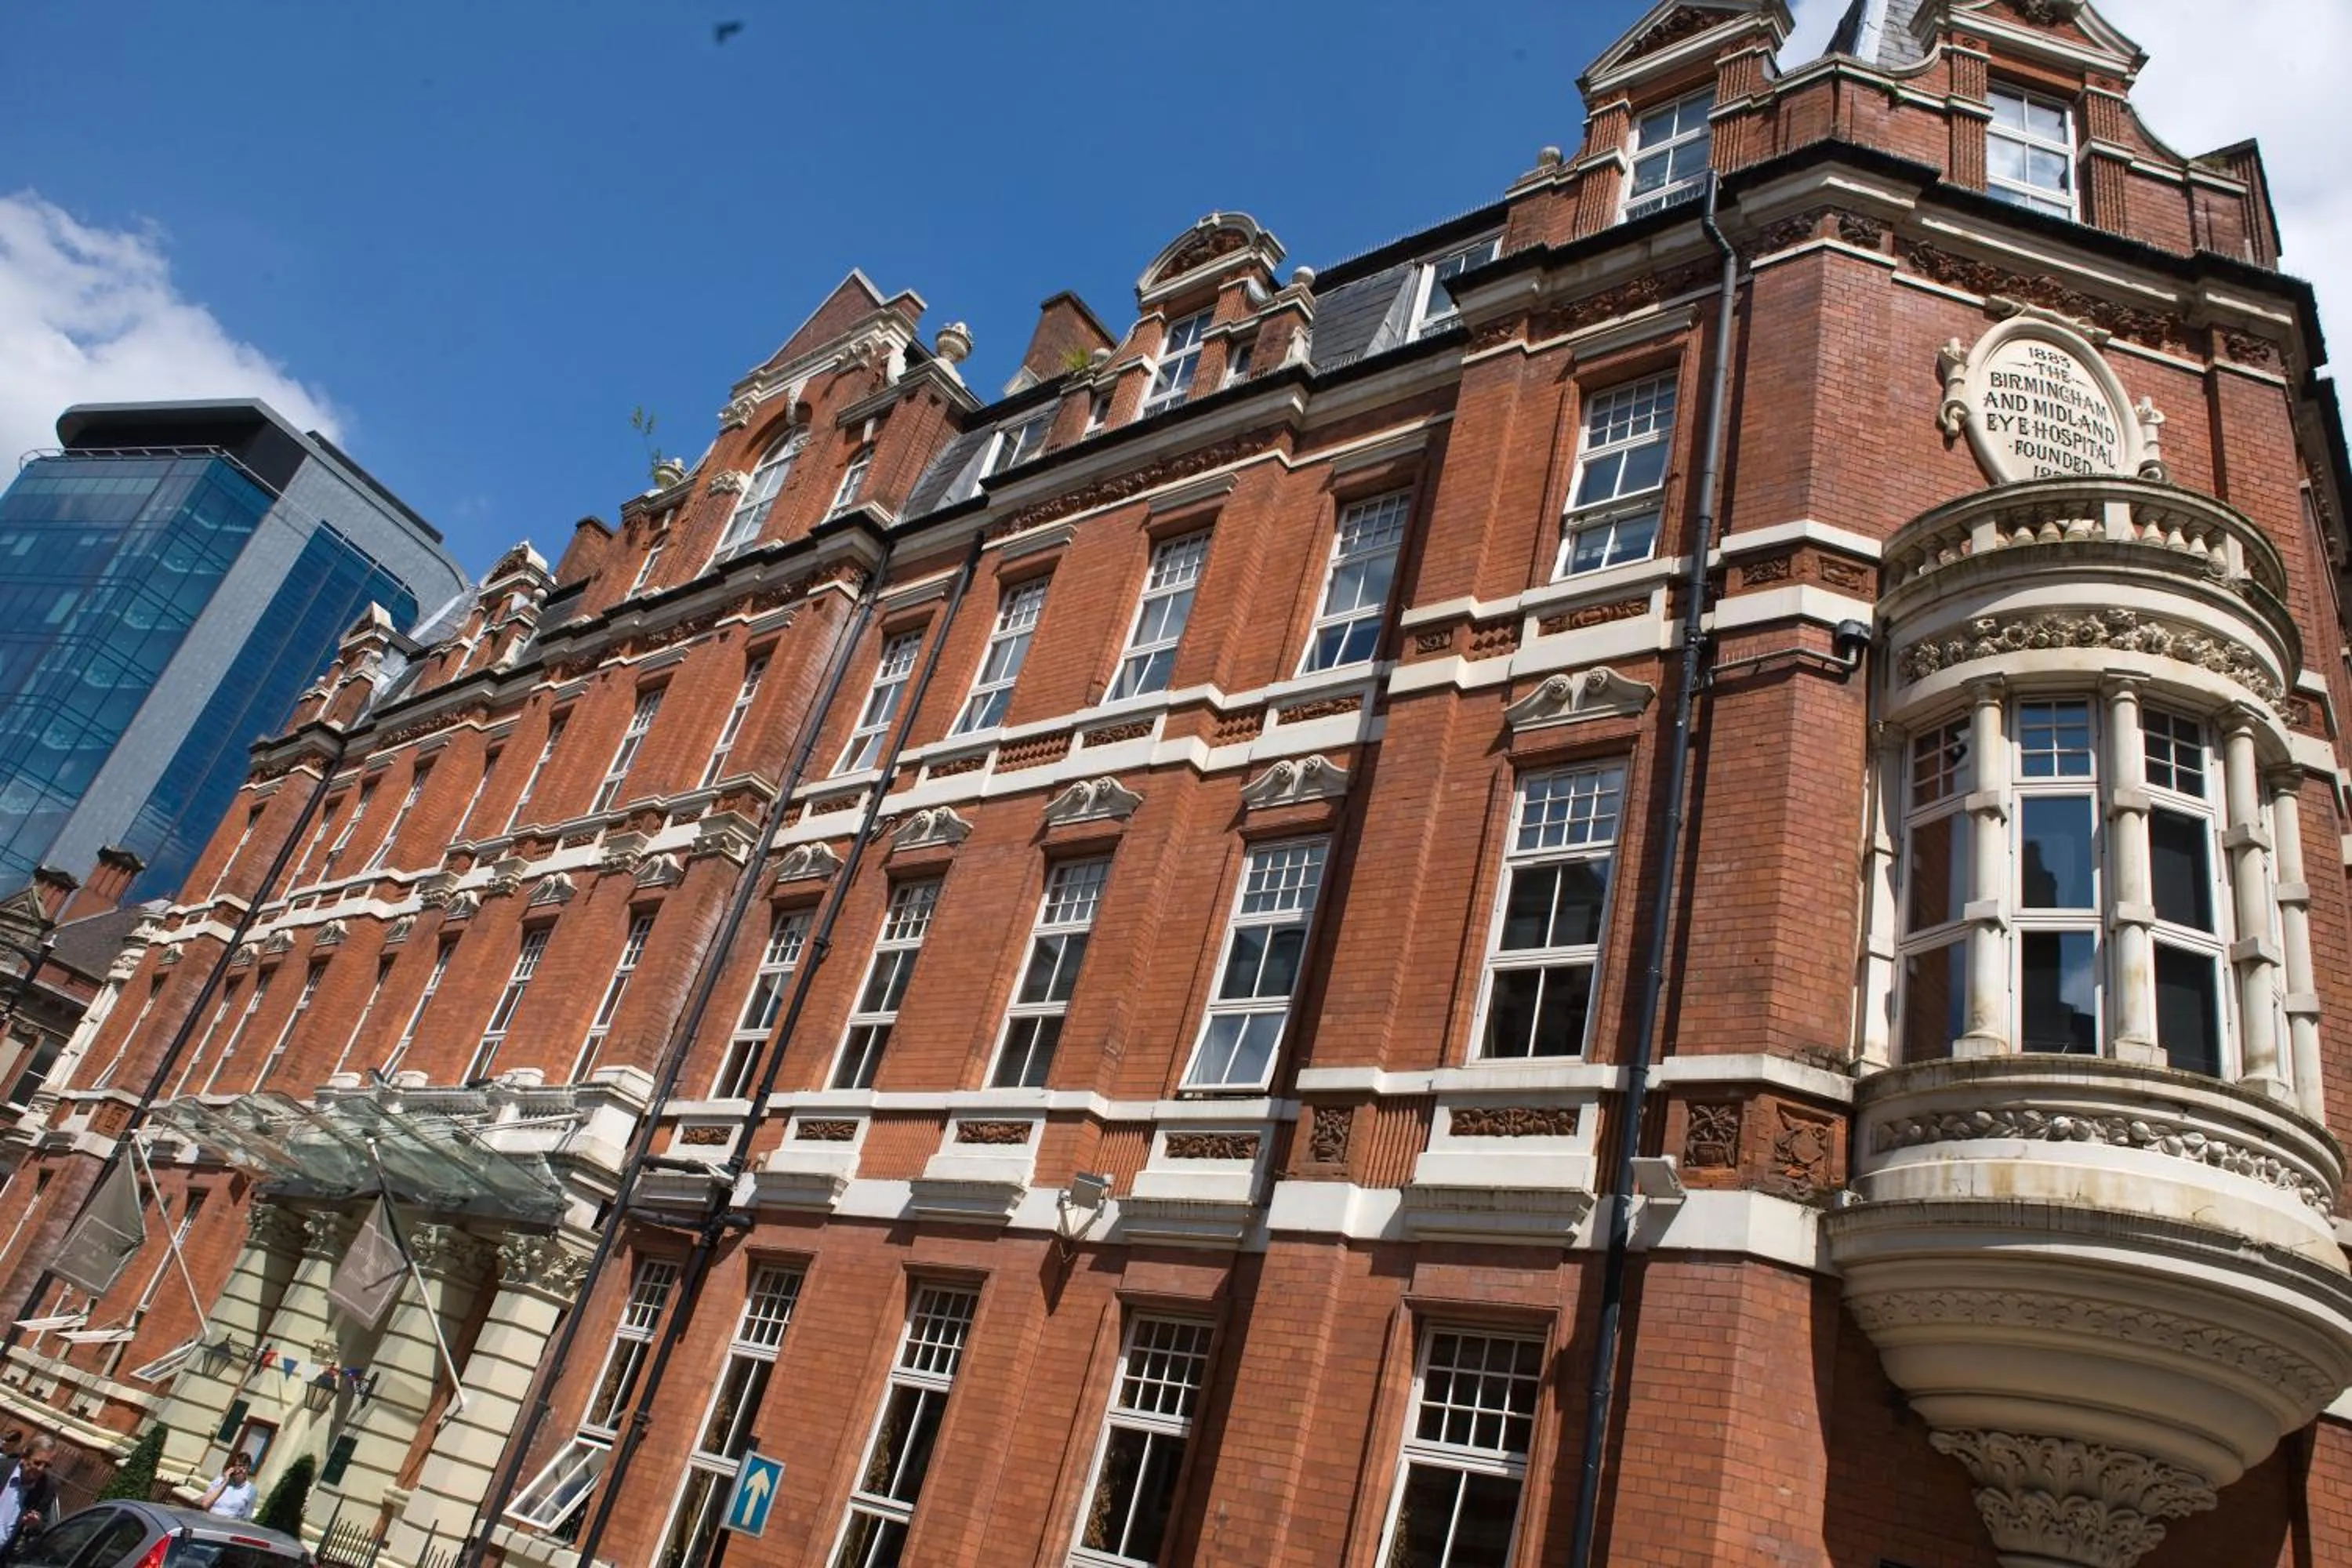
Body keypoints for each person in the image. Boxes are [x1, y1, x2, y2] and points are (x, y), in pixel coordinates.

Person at [0, 1436, 59, 1559]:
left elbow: (41, 1529)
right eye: (37, 1463)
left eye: (47, 1465)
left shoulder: (46, 1489)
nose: (40, 1469)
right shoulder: (2, 1468)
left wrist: (34, 1524)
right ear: (24, 1458)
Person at [197, 1454, 256, 1521]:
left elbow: (246, 1518)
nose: (242, 1470)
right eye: (239, 1466)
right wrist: (225, 1482)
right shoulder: (219, 1481)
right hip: (209, 1520)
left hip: (229, 1526)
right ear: (232, 1468)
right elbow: (205, 1504)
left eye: (245, 1467)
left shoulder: (251, 1490)